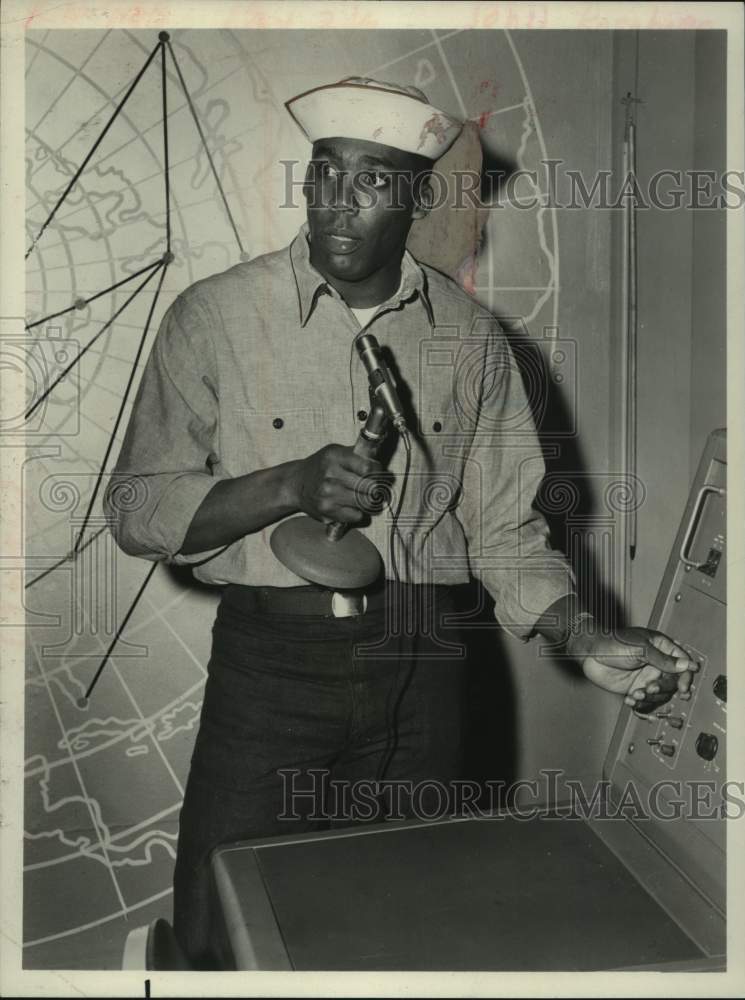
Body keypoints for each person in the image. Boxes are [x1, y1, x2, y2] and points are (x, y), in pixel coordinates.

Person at [104, 77, 697, 968]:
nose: (340, 204)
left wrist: (584, 635)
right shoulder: (215, 317)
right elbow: (137, 508)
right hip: (272, 676)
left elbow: (505, 532)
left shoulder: (473, 339)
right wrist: (287, 485)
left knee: (409, 931)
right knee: (219, 939)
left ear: (417, 198)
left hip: (425, 675)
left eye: (374, 182)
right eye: (325, 175)